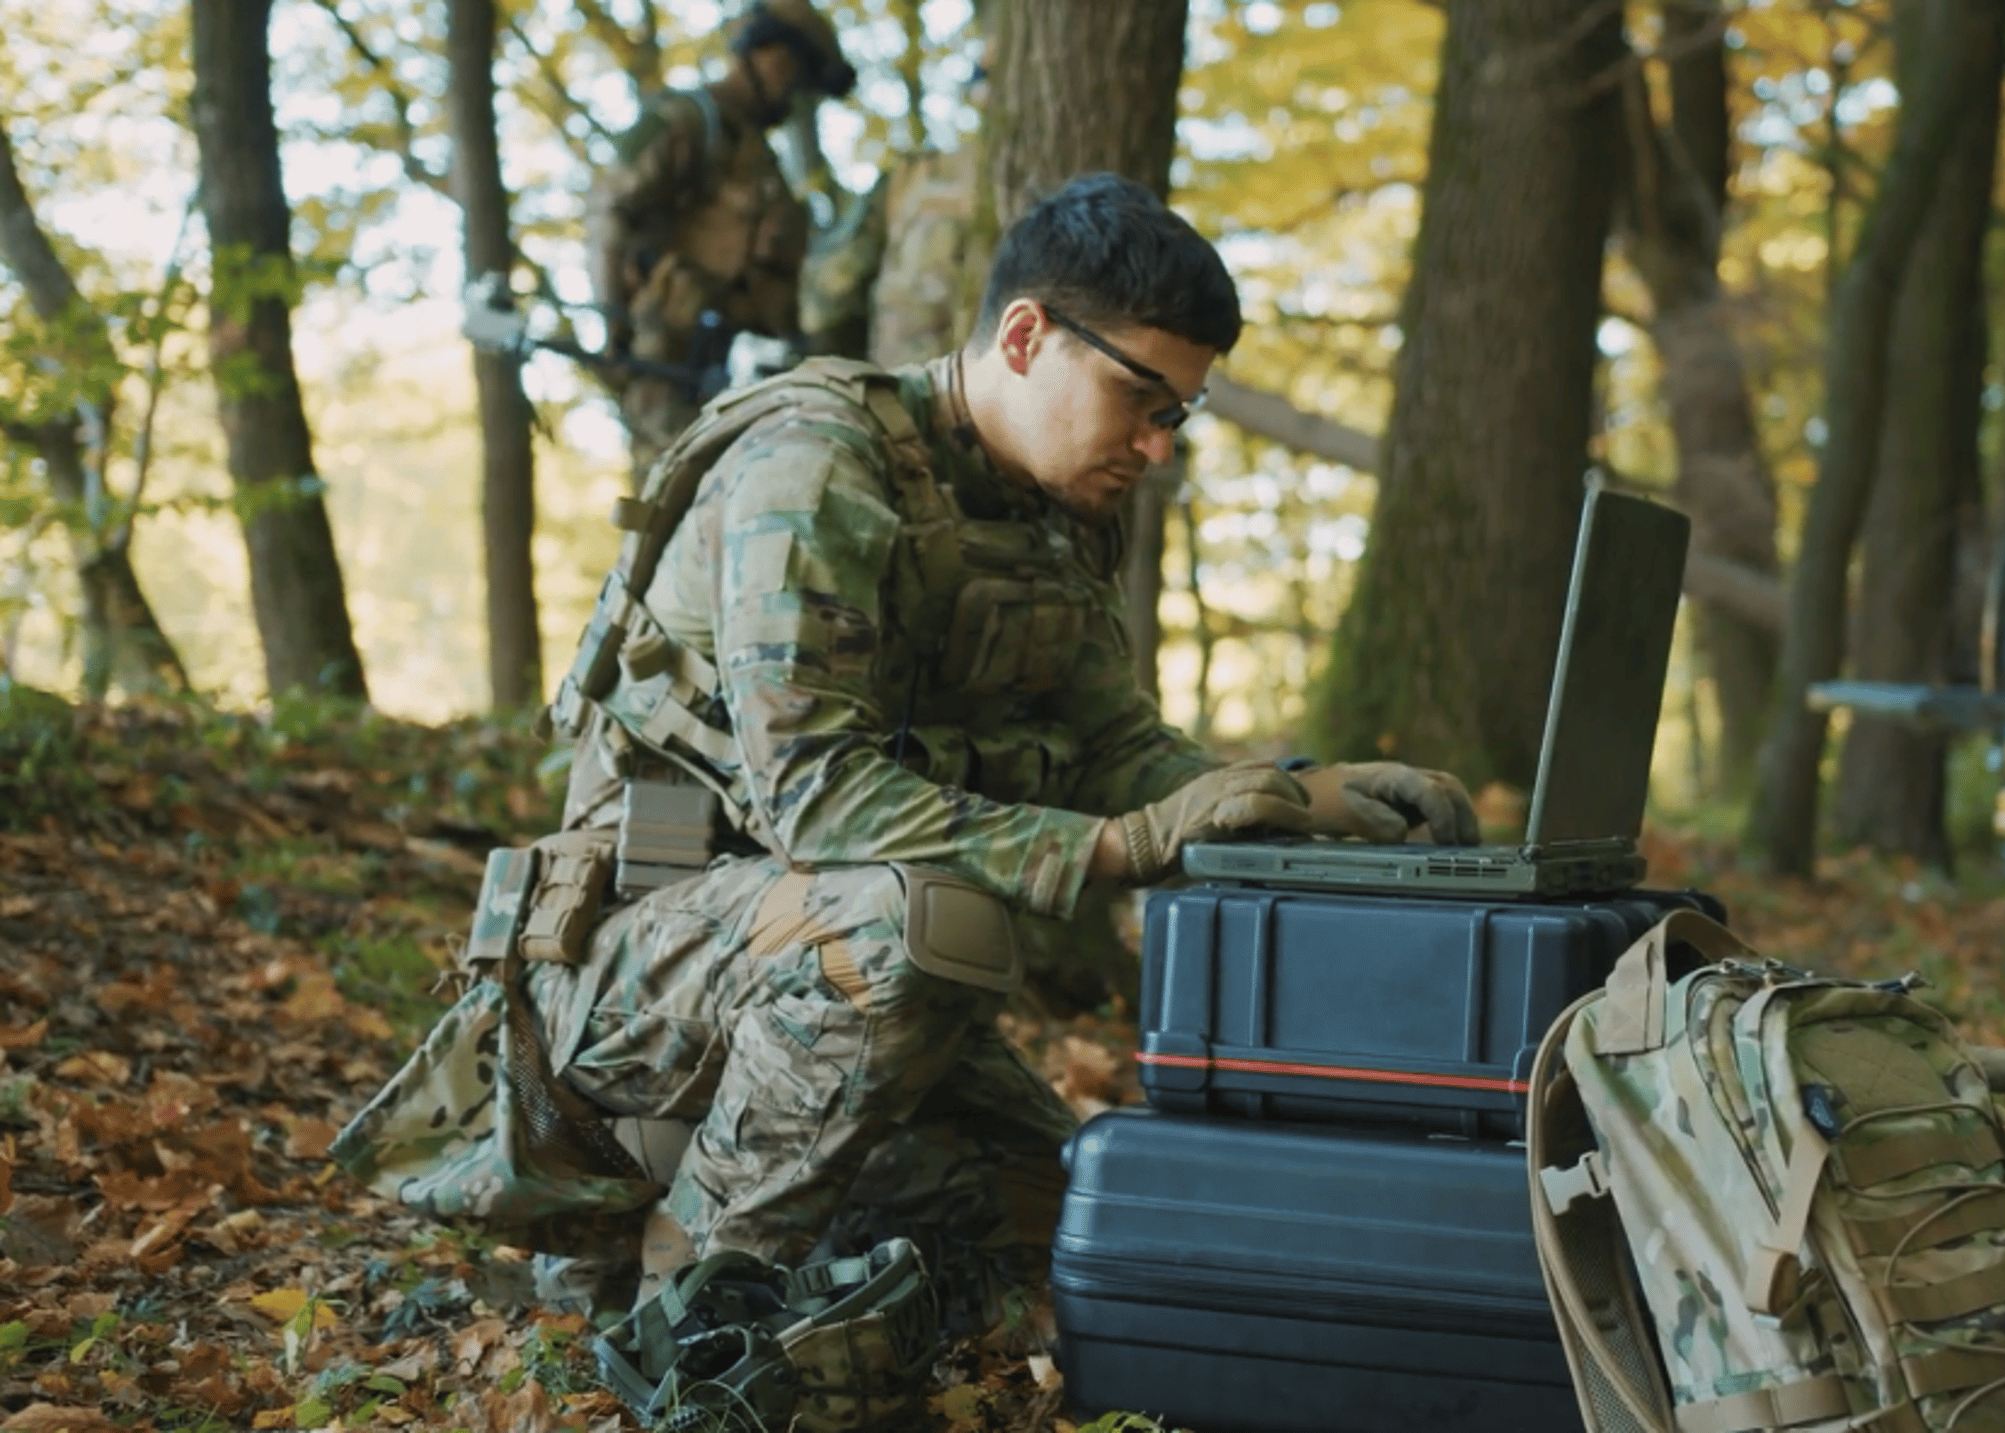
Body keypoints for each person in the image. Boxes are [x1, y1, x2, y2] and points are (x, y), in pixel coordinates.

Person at [337, 173, 1478, 1399]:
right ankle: (686, 1304)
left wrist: (1302, 795)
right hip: (631, 980)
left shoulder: (1056, 508)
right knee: (918, 928)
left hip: (816, 978)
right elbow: (817, 803)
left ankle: (791, 1277)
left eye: (1178, 416)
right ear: (1029, 335)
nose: (1155, 447)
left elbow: (1112, 747)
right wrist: (1115, 847)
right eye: (1140, 399)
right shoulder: (816, 468)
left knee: (1085, 1227)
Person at [587, 0, 856, 478]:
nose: (794, 100)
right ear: (770, 56)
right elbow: (610, 213)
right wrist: (615, 328)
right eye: (796, 80)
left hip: (742, 376)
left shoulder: (755, 156)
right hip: (674, 370)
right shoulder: (685, 121)